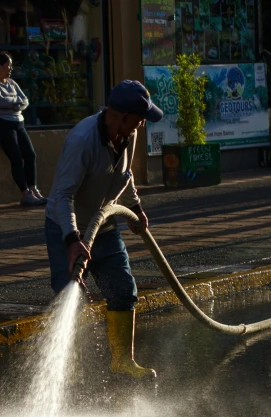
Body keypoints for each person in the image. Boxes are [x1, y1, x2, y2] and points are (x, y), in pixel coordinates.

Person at [44, 80, 164, 379]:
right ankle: (68, 370)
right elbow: (61, 196)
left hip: (105, 225)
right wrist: (72, 239)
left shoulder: (128, 133)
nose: (142, 123)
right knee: (71, 294)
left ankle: (122, 361)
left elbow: (124, 175)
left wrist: (134, 208)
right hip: (66, 228)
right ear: (121, 114)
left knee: (123, 290)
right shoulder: (82, 141)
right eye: (139, 117)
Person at [0, 52, 47, 207]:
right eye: (8, 65)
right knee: (16, 157)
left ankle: (33, 189)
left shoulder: (11, 83)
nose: (11, 69)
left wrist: (14, 104)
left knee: (30, 154)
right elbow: (0, 101)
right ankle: (25, 194)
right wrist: (15, 103)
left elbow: (25, 100)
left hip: (18, 122)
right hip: (2, 123)